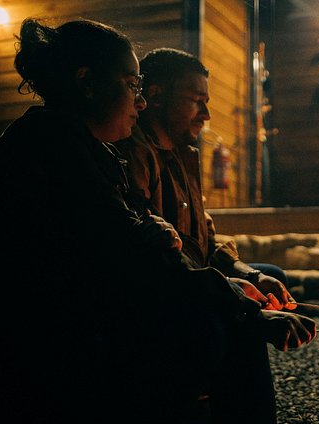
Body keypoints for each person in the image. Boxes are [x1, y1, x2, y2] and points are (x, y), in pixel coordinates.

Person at [0, 18, 314, 424]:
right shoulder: (53, 151)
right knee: (209, 327)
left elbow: (161, 240)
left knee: (222, 312)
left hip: (65, 325)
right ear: (86, 82)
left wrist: (234, 280)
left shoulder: (81, 147)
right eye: (131, 85)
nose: (139, 102)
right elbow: (135, 260)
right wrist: (244, 308)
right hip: (19, 346)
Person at [118, 47, 295, 311]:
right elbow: (155, 257)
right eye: (196, 101)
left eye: (206, 103)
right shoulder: (133, 154)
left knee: (270, 276)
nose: (206, 115)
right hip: (165, 287)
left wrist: (250, 275)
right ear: (155, 96)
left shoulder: (184, 158)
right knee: (242, 304)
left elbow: (207, 241)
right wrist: (228, 286)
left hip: (196, 274)